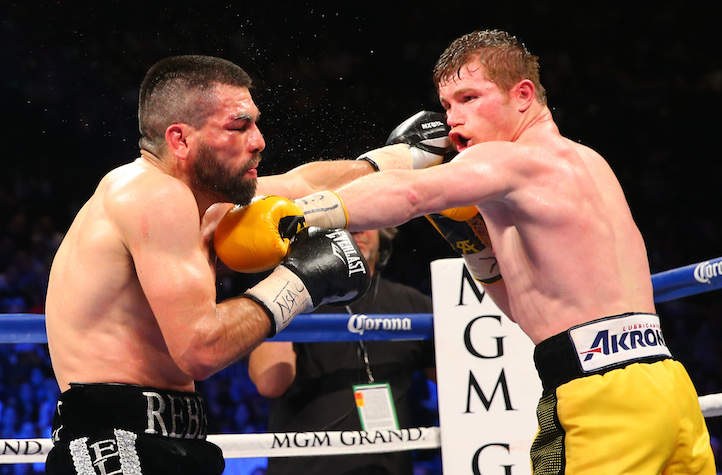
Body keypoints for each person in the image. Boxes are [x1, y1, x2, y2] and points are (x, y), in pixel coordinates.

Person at [252, 30, 716, 473]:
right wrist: (472, 245)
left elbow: (409, 193)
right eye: (447, 106)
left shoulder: (506, 159)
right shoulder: (589, 162)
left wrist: (300, 214)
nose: (453, 119)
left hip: (602, 397)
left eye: (470, 98)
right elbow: (527, 309)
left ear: (523, 94)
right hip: (669, 385)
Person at [43, 54, 397, 475]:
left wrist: (407, 157)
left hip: (174, 437)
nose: (259, 141)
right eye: (238, 126)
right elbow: (201, 348)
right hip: (114, 443)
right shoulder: (154, 194)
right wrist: (299, 283)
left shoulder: (203, 203)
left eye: (255, 124)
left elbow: (306, 183)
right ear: (180, 140)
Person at [248, 227, 435, 475]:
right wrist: (287, 285)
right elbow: (270, 383)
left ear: (383, 231)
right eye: (343, 222)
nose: (356, 228)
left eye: (367, 219)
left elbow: (460, 384)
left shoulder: (412, 304)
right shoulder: (294, 298)